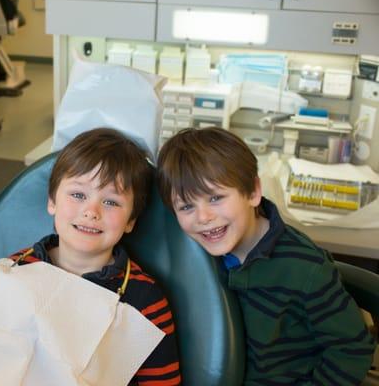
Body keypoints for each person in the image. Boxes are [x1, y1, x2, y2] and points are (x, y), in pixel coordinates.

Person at [0, 128, 181, 385]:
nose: (91, 211)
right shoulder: (16, 269)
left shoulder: (145, 301)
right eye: (78, 195)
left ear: (131, 220)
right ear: (52, 202)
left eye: (111, 202)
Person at [157, 127, 375, 385]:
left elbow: (352, 349)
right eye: (186, 206)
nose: (203, 217)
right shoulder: (200, 255)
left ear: (253, 192)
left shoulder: (304, 269)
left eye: (215, 198)